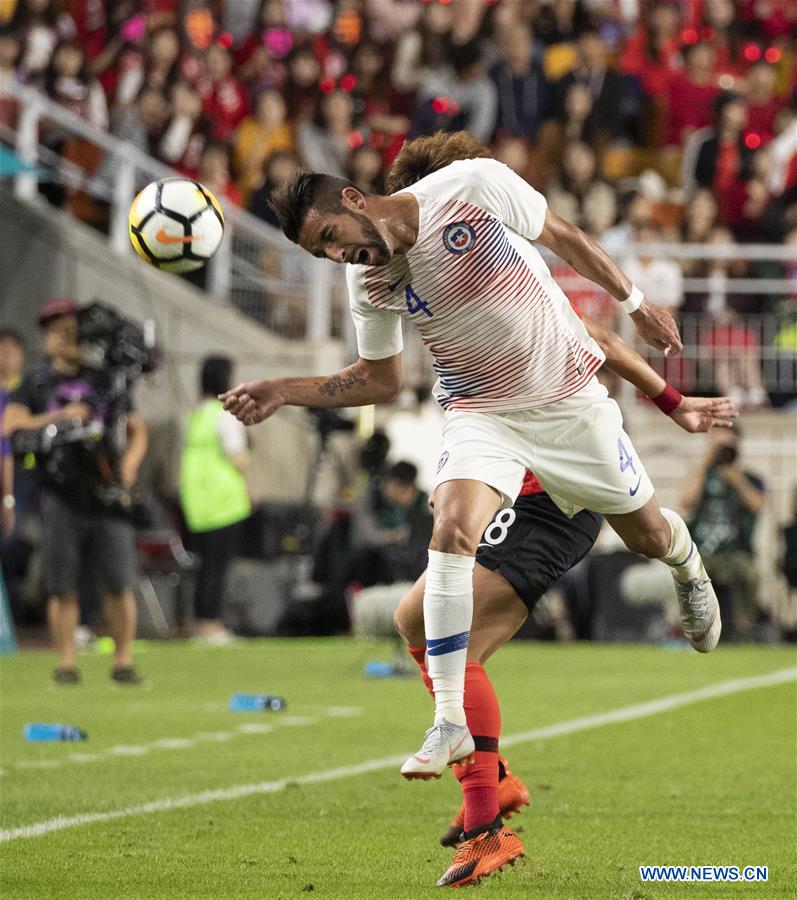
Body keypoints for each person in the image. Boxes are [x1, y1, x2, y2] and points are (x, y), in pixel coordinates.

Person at [222, 130, 720, 815]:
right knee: (451, 526)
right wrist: (285, 389)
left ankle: (686, 563)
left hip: (567, 405)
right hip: (481, 411)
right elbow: (378, 379)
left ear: (354, 199)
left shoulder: (470, 186)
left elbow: (563, 235)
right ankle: (450, 720)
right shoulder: (368, 280)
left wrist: (637, 306)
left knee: (647, 536)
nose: (338, 256)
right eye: (322, 254)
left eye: (332, 237)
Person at [394, 315, 736, 886]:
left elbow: (601, 338)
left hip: (556, 493)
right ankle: (492, 782)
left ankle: (485, 828)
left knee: (458, 646)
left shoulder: (503, 296)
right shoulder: (439, 311)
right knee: (413, 621)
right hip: (508, 489)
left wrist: (673, 401)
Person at [3, 299, 148, 684]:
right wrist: (59, 416)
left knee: (119, 581)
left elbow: (137, 429)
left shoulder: (106, 380)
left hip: (107, 492)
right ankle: (66, 661)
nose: (65, 338)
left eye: (70, 331)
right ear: (45, 338)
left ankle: (123, 660)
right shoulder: (36, 383)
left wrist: (129, 468)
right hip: (60, 495)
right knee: (61, 584)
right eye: (56, 332)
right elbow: (11, 424)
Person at [180, 356, 251, 644]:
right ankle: (212, 624)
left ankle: (201, 622)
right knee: (217, 566)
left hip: (198, 502)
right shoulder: (225, 415)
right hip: (224, 500)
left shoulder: (195, 415)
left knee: (204, 566)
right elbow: (238, 458)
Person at [679, 425, 765, 639]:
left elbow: (757, 505)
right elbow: (686, 501)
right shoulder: (702, 475)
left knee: (748, 573)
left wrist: (736, 478)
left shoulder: (749, 477)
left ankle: (745, 627)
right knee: (681, 574)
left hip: (735, 552)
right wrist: (705, 463)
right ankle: (685, 628)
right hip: (701, 552)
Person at [348, 460, 432, 588]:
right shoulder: (372, 497)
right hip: (372, 563)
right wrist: (396, 535)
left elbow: (425, 531)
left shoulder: (419, 499)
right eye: (402, 488)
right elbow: (365, 537)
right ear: (391, 483)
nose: (407, 494)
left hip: (406, 562)